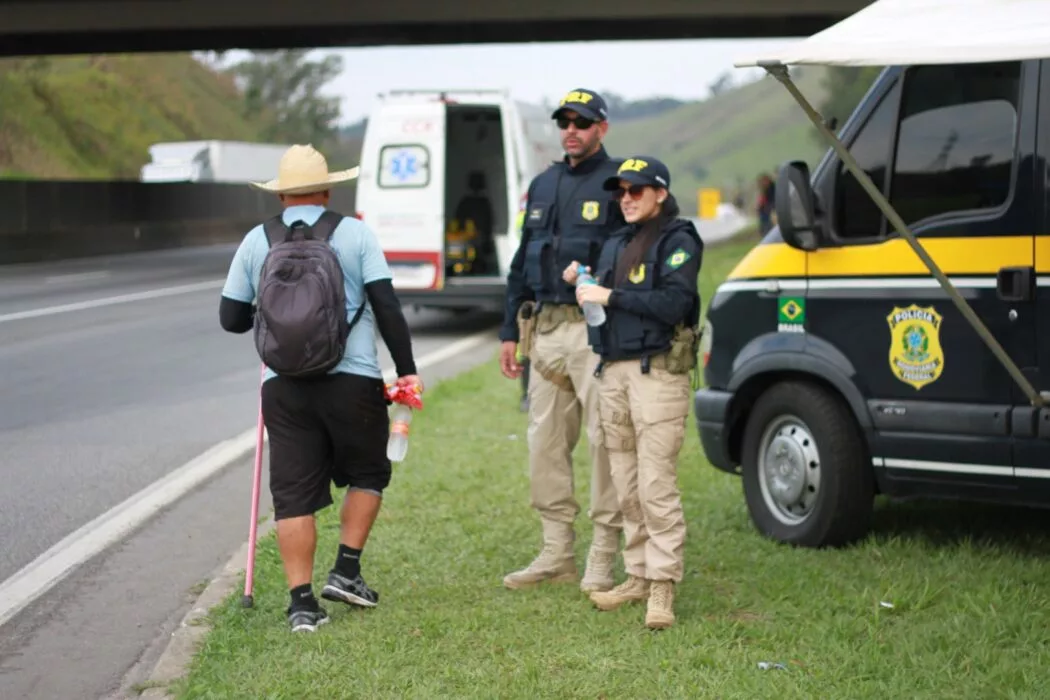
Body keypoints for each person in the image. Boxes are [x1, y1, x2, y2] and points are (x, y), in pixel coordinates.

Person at [218, 144, 422, 633]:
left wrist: (273, 318)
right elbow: (387, 307)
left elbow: (230, 319)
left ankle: (302, 604)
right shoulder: (354, 234)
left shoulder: (256, 240)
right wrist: (407, 368)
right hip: (352, 379)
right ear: (329, 189)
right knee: (370, 471)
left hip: (283, 386)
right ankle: (346, 571)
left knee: (293, 494)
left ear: (283, 194)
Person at [562, 156, 702, 630]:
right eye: (621, 192)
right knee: (626, 484)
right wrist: (584, 281)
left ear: (660, 194)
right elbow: (602, 295)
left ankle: (662, 586)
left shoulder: (679, 239)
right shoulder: (617, 240)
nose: (626, 199)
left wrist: (610, 297)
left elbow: (674, 302)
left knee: (656, 484)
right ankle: (638, 575)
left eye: (636, 191)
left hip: (657, 375)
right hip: (614, 374)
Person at [498, 88, 626, 593]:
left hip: (595, 332)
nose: (571, 130)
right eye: (565, 122)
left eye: (583, 121)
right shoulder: (543, 184)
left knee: (605, 441)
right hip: (544, 332)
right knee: (545, 444)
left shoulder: (620, 183)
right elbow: (521, 261)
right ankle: (556, 553)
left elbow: (634, 257)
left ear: (602, 128)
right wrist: (509, 330)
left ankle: (603, 554)